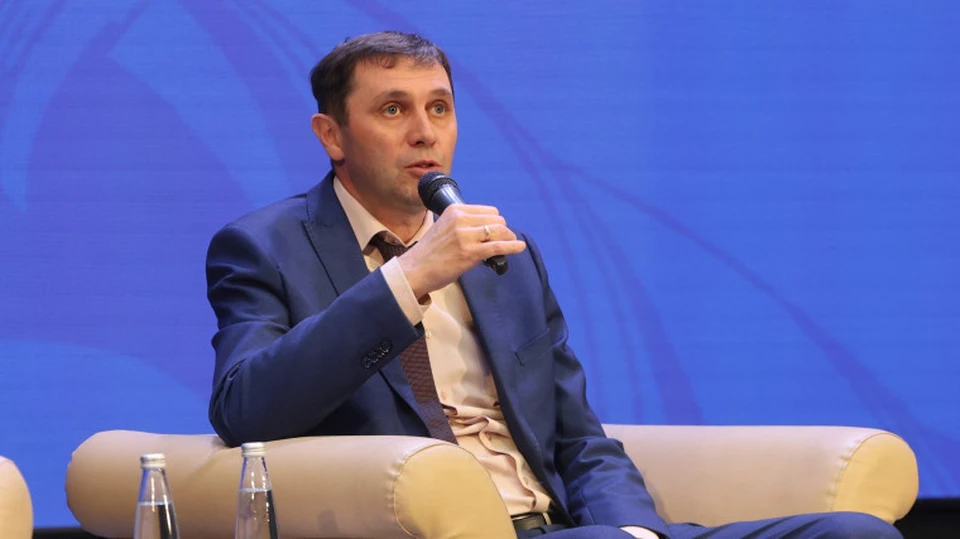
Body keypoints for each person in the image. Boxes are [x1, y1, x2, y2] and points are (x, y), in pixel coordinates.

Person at [205, 31, 901, 538]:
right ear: (331, 134)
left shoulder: (504, 255)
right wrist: (407, 278)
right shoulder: (265, 247)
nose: (425, 133)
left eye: (440, 108)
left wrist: (636, 530)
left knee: (853, 532)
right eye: (394, 110)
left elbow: (578, 436)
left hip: (569, 528)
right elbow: (244, 409)